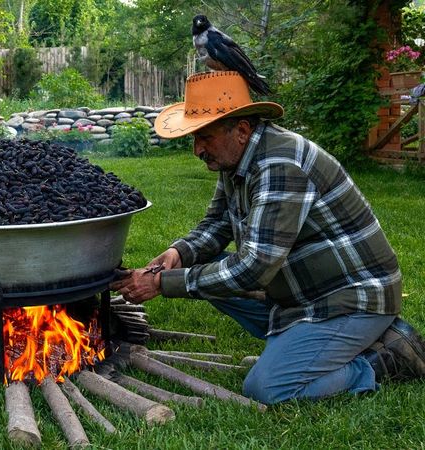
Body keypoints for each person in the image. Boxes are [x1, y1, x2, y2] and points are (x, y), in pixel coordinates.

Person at [111, 71, 425, 405]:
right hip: (302, 292)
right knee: (203, 267)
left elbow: (254, 269)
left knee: (267, 388)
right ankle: (307, 347)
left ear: (242, 130)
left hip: (350, 297)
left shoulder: (280, 164)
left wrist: (162, 283)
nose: (197, 149)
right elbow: (217, 224)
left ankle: (383, 361)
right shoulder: (238, 159)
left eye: (204, 136)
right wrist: (179, 254)